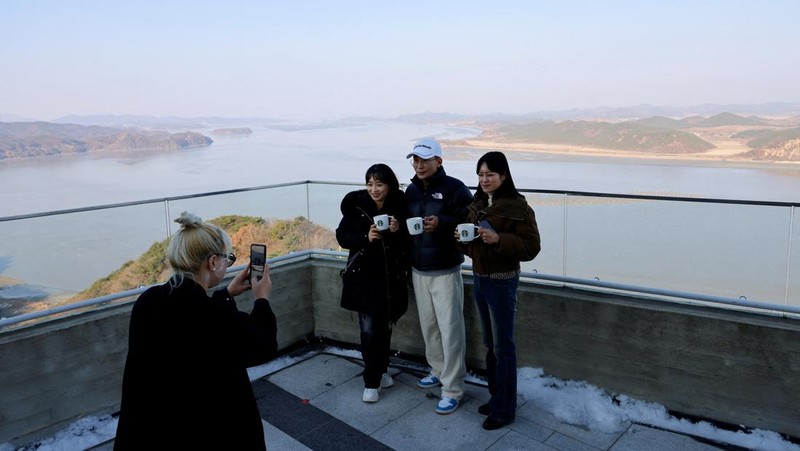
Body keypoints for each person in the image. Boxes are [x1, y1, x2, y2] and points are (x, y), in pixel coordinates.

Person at [114, 212, 278, 451]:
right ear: (212, 262)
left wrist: (225, 294)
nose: (227, 264)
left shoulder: (149, 301)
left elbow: (195, 322)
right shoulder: (215, 317)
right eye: (227, 259)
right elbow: (263, 346)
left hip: (149, 432)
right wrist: (261, 299)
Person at [457, 151, 541, 430]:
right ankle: (496, 399)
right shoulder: (477, 202)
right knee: (490, 345)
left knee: (504, 347)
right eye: (480, 175)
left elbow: (531, 248)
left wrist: (498, 239)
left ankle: (505, 410)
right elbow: (469, 245)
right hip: (480, 278)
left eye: (490, 174)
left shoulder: (518, 207)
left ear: (503, 175)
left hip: (503, 282)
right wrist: (461, 239)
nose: (484, 180)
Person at [404, 138, 473, 415]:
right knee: (430, 326)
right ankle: (438, 369)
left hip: (445, 269)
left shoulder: (455, 189)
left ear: (438, 161)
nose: (419, 165)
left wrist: (443, 224)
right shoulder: (410, 190)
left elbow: (472, 223)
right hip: (418, 268)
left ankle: (453, 388)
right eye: (415, 160)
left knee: (451, 330)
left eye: (425, 160)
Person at [336, 163, 409, 403]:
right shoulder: (357, 207)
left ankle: (383, 370)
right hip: (364, 279)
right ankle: (370, 382)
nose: (374, 189)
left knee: (386, 327)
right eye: (370, 184)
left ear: (389, 185)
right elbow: (342, 236)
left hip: (389, 280)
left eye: (379, 184)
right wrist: (364, 238)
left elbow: (408, 245)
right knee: (368, 331)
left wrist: (399, 231)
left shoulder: (400, 207)